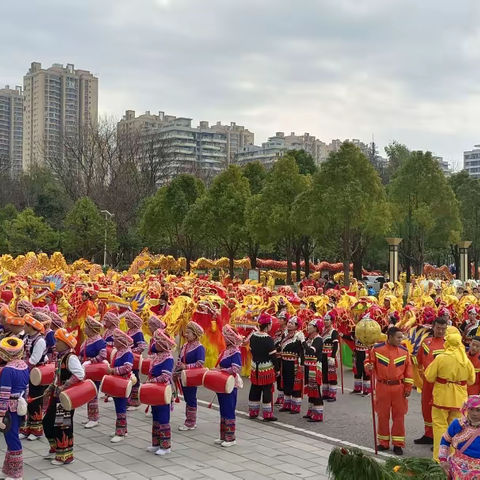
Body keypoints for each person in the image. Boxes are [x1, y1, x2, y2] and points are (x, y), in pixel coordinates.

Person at [425, 331, 476, 462]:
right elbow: (471, 380)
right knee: (458, 429)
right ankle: (453, 456)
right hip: (459, 399)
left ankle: (438, 457)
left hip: (441, 397)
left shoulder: (441, 358)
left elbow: (429, 377)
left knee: (439, 427)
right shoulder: (465, 360)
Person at [365, 327, 413, 455]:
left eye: (401, 337)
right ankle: (383, 443)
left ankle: (398, 444)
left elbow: (409, 371)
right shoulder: (376, 349)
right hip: (382, 387)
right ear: (390, 337)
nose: (401, 339)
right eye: (398, 337)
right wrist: (368, 367)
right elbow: (368, 364)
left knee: (399, 417)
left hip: (399, 388)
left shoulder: (404, 351)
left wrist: (408, 387)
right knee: (382, 416)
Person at [43, 328, 85, 465]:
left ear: (66, 344)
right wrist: (50, 388)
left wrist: (64, 386)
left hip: (67, 397)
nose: (55, 343)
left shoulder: (70, 357)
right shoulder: (60, 356)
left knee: (62, 425)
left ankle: (65, 456)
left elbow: (80, 374)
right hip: (57, 395)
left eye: (58, 341)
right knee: (48, 422)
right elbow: (57, 377)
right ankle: (55, 449)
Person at [414, 317, 447, 446]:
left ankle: (440, 438)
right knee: (426, 408)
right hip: (427, 382)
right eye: (438, 328)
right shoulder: (425, 342)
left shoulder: (448, 345)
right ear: (433, 327)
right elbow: (418, 361)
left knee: (440, 411)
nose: (441, 331)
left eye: (443, 329)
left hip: (441, 383)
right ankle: (428, 434)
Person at [0, 337, 29, 480]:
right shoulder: (24, 366)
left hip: (9, 409)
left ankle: (17, 474)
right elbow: (27, 388)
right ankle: (8, 469)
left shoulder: (8, 370)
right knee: (13, 436)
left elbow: (4, 394)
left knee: (12, 438)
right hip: (20, 405)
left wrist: (0, 415)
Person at [145, 329, 175, 455]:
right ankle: (156, 443)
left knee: (163, 417)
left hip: (163, 390)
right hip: (155, 388)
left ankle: (165, 446)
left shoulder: (168, 358)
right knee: (156, 416)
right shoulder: (158, 357)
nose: (154, 344)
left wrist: (152, 381)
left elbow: (166, 376)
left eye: (157, 342)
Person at [439, 395, 480, 478]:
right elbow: (445, 440)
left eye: (478, 410)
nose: (475, 414)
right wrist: (443, 460)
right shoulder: (458, 424)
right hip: (457, 469)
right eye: (471, 409)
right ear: (467, 409)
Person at [19, 314, 46, 441]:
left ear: (30, 326)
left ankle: (36, 430)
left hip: (36, 374)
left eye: (25, 324)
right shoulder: (26, 337)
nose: (23, 326)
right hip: (27, 372)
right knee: (26, 400)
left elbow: (33, 360)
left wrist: (20, 367)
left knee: (35, 401)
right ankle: (26, 428)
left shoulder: (39, 340)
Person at [215, 325, 243, 447]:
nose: (224, 339)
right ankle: (223, 436)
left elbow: (236, 368)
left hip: (230, 383)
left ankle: (231, 438)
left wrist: (222, 371)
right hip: (223, 382)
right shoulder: (225, 351)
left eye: (226, 337)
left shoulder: (236, 351)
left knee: (229, 408)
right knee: (222, 409)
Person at [175, 321, 206, 430]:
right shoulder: (185, 345)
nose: (186, 335)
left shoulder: (199, 348)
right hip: (183, 376)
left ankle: (191, 422)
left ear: (195, 334)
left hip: (192, 377)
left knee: (191, 398)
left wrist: (186, 367)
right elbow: (180, 359)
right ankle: (189, 419)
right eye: (186, 332)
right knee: (187, 398)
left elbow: (200, 363)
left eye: (188, 333)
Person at [248, 313, 278, 422]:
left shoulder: (253, 336)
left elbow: (251, 350)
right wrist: (277, 369)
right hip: (266, 368)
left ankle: (253, 411)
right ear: (268, 325)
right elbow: (273, 357)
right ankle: (267, 414)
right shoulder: (268, 339)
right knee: (266, 390)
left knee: (255, 388)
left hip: (255, 366)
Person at [79, 316, 107, 429]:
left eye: (86, 327)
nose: (84, 328)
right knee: (88, 392)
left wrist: (91, 362)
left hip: (93, 370)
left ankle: (94, 418)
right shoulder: (89, 339)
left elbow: (103, 355)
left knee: (93, 393)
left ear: (92, 329)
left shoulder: (99, 341)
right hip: (86, 369)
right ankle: (90, 416)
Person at [107, 329, 134, 443]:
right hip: (117, 382)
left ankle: (121, 432)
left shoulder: (127, 353)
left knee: (121, 407)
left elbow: (128, 368)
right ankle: (123, 429)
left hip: (123, 383)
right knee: (118, 406)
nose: (114, 342)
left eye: (116, 340)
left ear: (122, 342)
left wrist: (113, 370)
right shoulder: (119, 351)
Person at [279, 316, 304, 414]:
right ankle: (287, 404)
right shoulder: (284, 334)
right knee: (286, 382)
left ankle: (296, 406)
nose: (289, 324)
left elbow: (302, 351)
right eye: (289, 322)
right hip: (284, 361)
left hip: (294, 362)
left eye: (292, 323)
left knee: (295, 383)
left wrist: (302, 364)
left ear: (296, 326)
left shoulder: (299, 335)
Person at [302, 319, 324, 422]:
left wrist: (302, 342)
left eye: (310, 325)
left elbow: (311, 351)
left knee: (315, 389)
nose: (308, 327)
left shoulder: (318, 339)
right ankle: (311, 411)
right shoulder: (309, 338)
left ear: (315, 328)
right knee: (310, 388)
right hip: (308, 365)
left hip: (314, 366)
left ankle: (318, 413)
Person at [125, 311, 147, 411]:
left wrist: (130, 351)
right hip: (128, 358)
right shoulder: (129, 331)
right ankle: (128, 399)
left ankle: (135, 401)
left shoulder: (138, 333)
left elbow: (142, 346)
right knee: (129, 378)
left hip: (135, 359)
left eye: (128, 321)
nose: (126, 322)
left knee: (135, 379)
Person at [321, 312, 339, 402]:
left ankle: (332, 394)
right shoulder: (322, 331)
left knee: (331, 375)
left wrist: (332, 356)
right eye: (324, 320)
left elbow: (335, 345)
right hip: (322, 355)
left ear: (332, 321)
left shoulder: (333, 331)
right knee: (324, 374)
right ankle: (325, 393)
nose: (325, 321)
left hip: (329, 355)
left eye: (327, 320)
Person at [273, 311, 287, 406]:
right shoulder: (277, 330)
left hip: (283, 357)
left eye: (282, 319)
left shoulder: (287, 331)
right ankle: (280, 395)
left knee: (283, 376)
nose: (280, 320)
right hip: (276, 356)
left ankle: (284, 397)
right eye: (279, 318)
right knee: (277, 376)